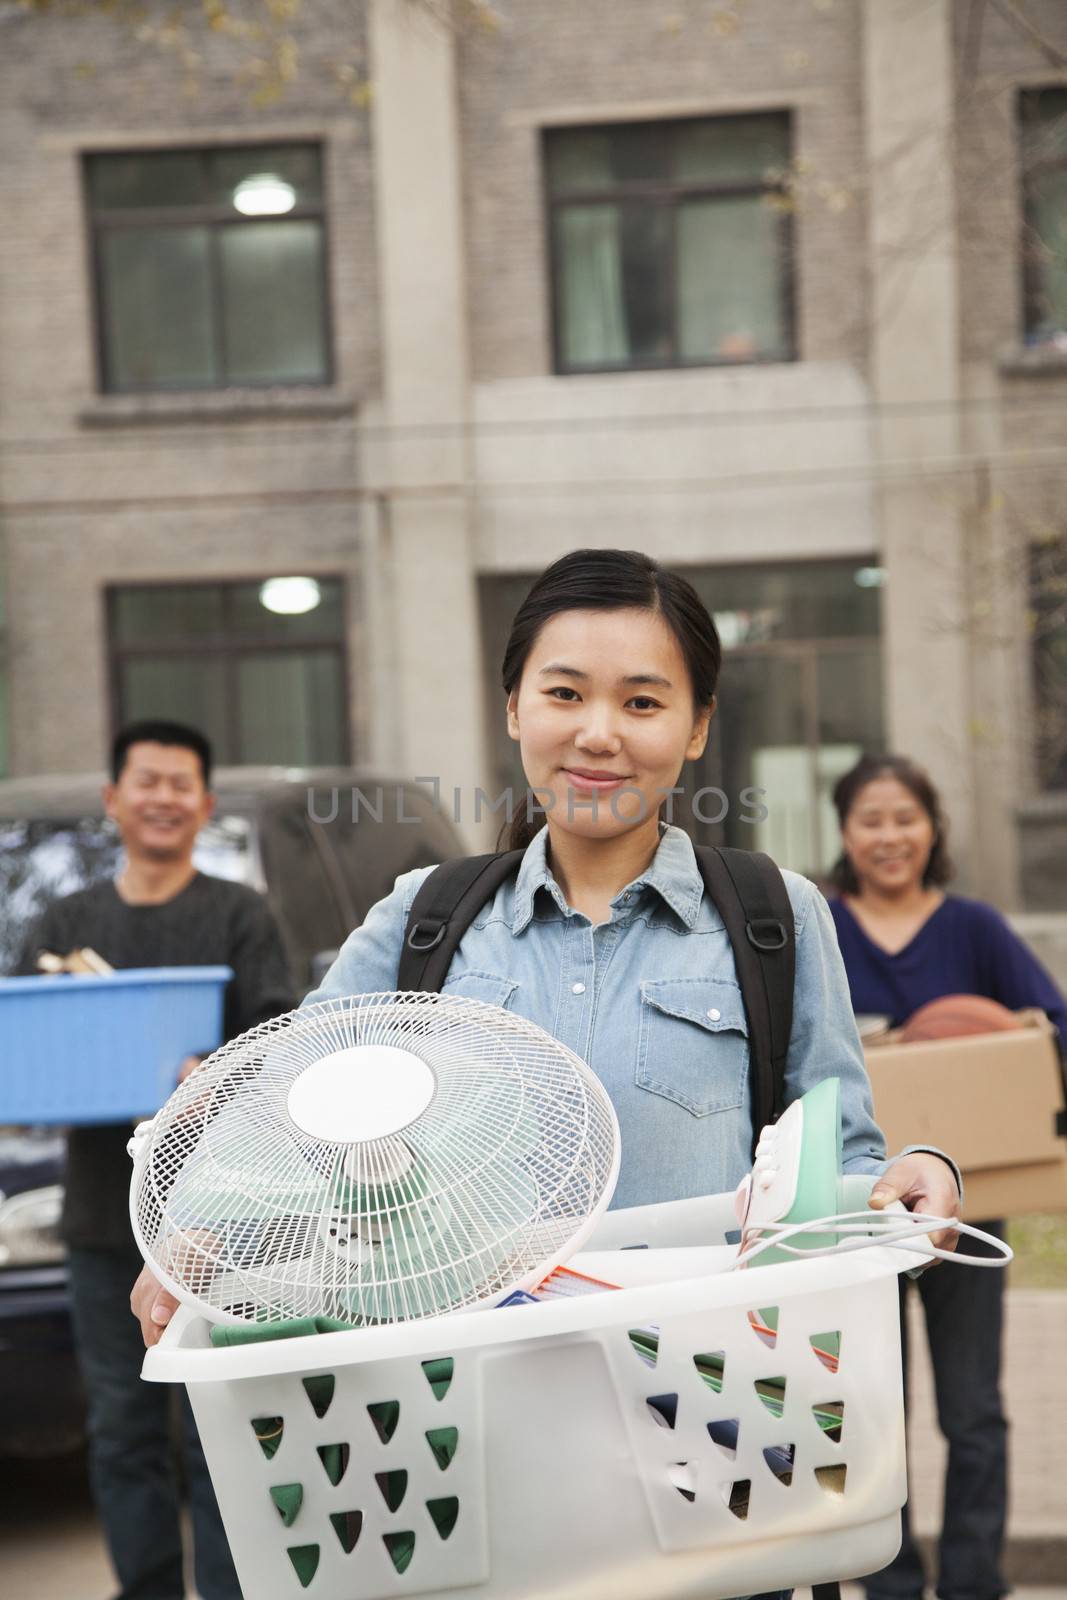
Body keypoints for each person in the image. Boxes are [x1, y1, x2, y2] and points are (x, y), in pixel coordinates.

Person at [131, 552, 961, 1597]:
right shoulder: (423, 922)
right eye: (564, 692)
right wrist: (196, 1231)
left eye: (642, 700)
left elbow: (835, 1163)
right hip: (460, 1469)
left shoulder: (773, 918)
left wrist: (914, 1178)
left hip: (711, 1456)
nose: (599, 731)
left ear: (696, 725)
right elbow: (285, 1102)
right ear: (514, 706)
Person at [19, 719, 294, 1600]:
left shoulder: (238, 914)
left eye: (182, 784)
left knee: (218, 1422)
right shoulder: (68, 922)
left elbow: (279, 1043)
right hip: (103, 1217)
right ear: (115, 800)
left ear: (203, 804)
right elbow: (30, 1047)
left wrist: (214, 1072)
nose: (164, 798)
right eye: (147, 781)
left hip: (225, 1224)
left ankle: (229, 1590)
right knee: (124, 1429)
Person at [828, 752, 1067, 1600]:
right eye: (870, 819)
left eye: (904, 818)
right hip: (855, 1211)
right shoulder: (819, 928)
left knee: (972, 1411)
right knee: (870, 1412)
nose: (889, 836)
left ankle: (973, 1582)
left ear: (931, 828)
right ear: (844, 832)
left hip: (967, 1208)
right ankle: (890, 1583)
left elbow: (1054, 1030)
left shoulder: (973, 929)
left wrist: (1023, 1034)